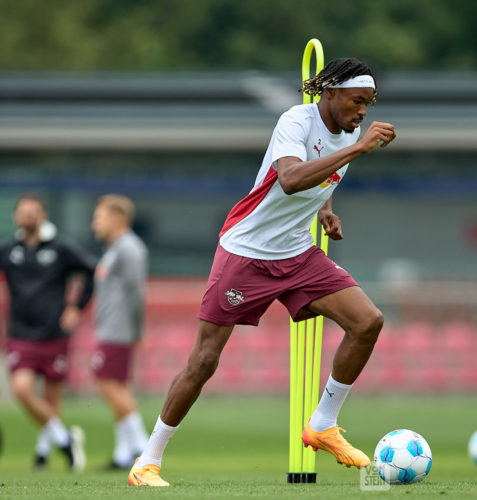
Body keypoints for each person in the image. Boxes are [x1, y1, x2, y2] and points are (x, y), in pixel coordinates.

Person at [128, 58, 396, 487]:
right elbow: (289, 179)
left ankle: (322, 424)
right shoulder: (295, 120)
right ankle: (147, 462)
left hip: (297, 254)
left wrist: (326, 210)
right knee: (204, 361)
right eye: (357, 101)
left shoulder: (347, 133)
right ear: (330, 94)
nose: (363, 112)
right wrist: (358, 149)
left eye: (369, 104)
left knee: (368, 321)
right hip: (246, 252)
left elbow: (322, 176)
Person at [1, 192, 94, 472]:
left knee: (51, 398)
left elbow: (90, 270)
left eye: (34, 211)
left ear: (43, 215)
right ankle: (66, 441)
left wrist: (75, 307)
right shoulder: (8, 251)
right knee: (22, 390)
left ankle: (42, 454)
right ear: (16, 216)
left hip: (54, 332)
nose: (28, 215)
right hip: (20, 332)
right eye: (24, 211)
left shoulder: (61, 248)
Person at [91, 194, 150, 470]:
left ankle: (141, 447)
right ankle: (123, 452)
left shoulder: (130, 248)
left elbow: (136, 293)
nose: (95, 224)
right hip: (111, 326)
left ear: (117, 218)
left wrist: (136, 328)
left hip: (118, 329)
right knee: (118, 385)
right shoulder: (115, 248)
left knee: (108, 384)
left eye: (99, 217)